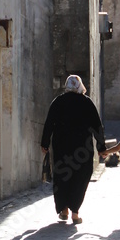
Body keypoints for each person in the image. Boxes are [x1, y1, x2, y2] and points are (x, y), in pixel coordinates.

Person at [41, 74, 106, 225]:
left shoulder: (58, 102)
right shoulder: (86, 102)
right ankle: (75, 213)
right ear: (79, 85)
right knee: (80, 176)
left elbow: (49, 123)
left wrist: (45, 143)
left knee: (62, 175)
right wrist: (101, 146)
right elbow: (97, 126)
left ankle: (64, 209)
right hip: (82, 149)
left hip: (61, 146)